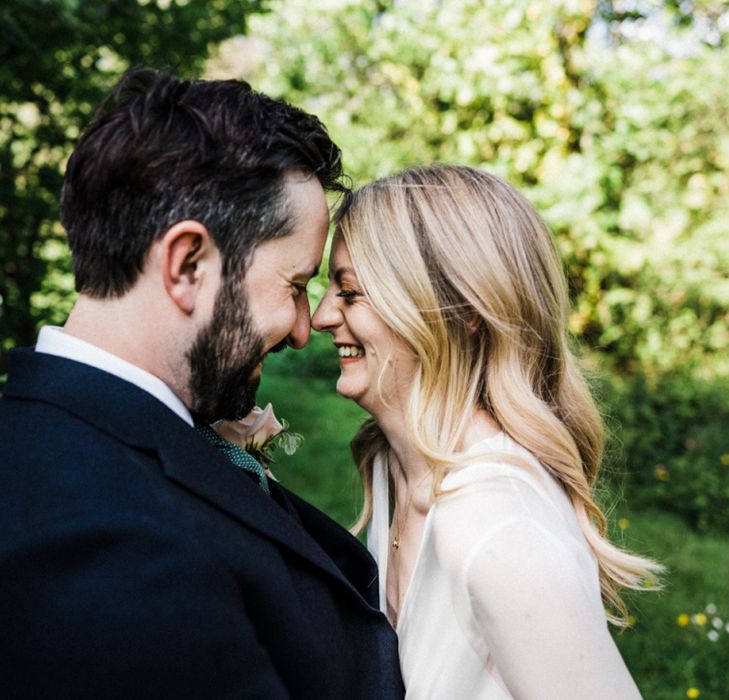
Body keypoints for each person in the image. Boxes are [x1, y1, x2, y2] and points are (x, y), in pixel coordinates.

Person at [0, 68, 403, 699]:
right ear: (188, 264)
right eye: (295, 287)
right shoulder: (102, 540)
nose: (304, 330)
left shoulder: (86, 441)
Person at [312, 164, 664, 699]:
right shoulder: (394, 465)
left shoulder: (501, 530)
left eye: (350, 293)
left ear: (463, 314)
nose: (319, 317)